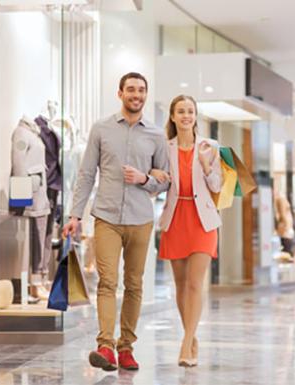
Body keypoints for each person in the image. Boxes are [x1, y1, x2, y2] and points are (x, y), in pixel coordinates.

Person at [63, 72, 169, 371]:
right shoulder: (102, 129)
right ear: (120, 93)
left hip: (140, 219)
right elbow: (85, 175)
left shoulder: (156, 135)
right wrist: (75, 215)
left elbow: (165, 180)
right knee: (107, 282)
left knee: (134, 284)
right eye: (131, 89)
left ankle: (126, 348)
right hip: (106, 216)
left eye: (142, 90)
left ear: (146, 95)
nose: (137, 95)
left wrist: (145, 178)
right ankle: (105, 346)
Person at [150, 95, 222, 367]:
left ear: (196, 116)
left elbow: (216, 186)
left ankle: (186, 342)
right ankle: (191, 338)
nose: (186, 116)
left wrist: (205, 165)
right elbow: (159, 183)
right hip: (175, 217)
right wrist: (153, 176)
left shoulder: (210, 146)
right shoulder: (164, 147)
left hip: (202, 220)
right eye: (181, 111)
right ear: (172, 116)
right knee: (179, 286)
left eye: (190, 111)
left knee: (195, 283)